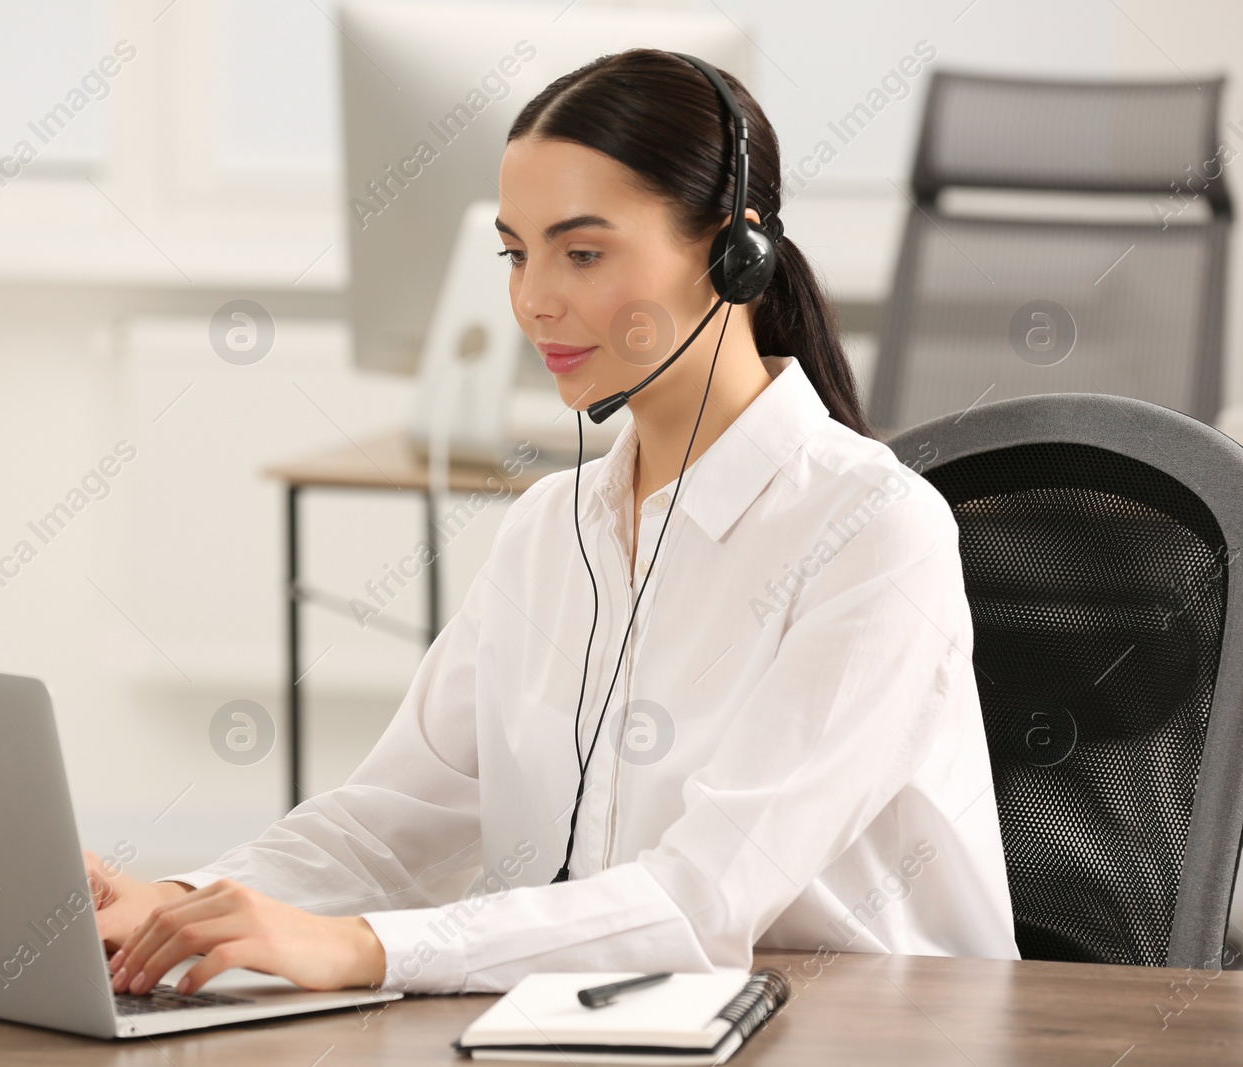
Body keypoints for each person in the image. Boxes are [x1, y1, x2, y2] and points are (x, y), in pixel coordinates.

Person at [87, 48, 1019, 999]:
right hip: (618, 1026)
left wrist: (364, 948)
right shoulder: (549, 529)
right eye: (515, 251)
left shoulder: (870, 530)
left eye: (582, 252)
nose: (533, 298)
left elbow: (698, 902)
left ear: (733, 255)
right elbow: (388, 822)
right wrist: (170, 908)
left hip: (873, 1037)